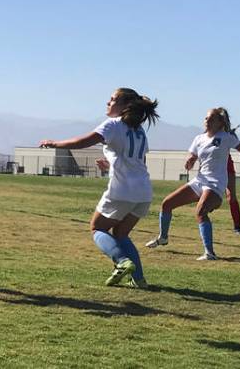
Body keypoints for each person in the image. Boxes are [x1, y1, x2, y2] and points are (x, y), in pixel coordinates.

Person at [40, 88, 159, 288]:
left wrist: (54, 143)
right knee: (121, 234)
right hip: (144, 191)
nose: (108, 102)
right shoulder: (139, 131)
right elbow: (137, 161)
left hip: (122, 189)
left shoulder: (114, 124)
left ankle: (122, 262)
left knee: (97, 228)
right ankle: (138, 279)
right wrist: (112, 165)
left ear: (124, 107)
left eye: (112, 100)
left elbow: (85, 141)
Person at [146, 107, 240, 260]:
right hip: (199, 181)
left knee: (200, 212)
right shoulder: (199, 138)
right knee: (167, 203)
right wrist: (190, 161)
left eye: (211, 118)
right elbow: (192, 156)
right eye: (206, 118)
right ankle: (163, 237)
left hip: (215, 184)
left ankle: (210, 253)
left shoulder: (226, 137)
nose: (207, 121)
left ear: (220, 122)